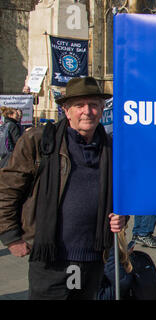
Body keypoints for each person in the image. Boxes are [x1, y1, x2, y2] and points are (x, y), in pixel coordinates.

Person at [0, 76, 126, 300]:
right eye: (79, 105)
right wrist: (11, 236)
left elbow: (122, 195)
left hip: (93, 256)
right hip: (50, 258)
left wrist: (122, 216)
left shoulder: (112, 148)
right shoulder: (40, 141)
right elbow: (7, 189)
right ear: (66, 111)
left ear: (101, 109)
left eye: (94, 105)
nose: (87, 111)